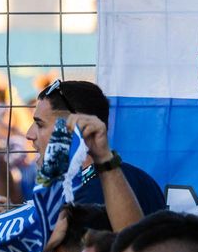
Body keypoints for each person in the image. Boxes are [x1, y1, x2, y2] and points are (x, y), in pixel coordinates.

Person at [29, 80, 166, 221]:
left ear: (77, 127)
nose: (29, 134)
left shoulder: (89, 197)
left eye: (40, 125)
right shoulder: (140, 178)